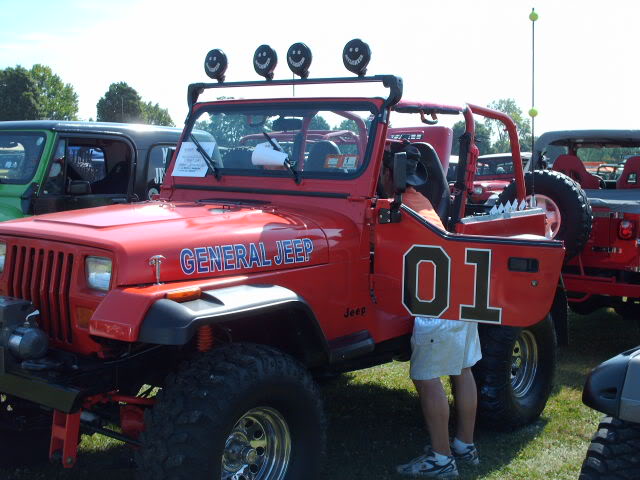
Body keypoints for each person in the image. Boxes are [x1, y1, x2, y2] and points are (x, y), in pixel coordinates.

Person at [384, 144, 481, 478]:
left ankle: (441, 461)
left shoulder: (397, 208)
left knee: (426, 377)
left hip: (434, 300)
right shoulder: (420, 200)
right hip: (460, 290)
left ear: (388, 175)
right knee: (462, 368)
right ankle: (465, 447)